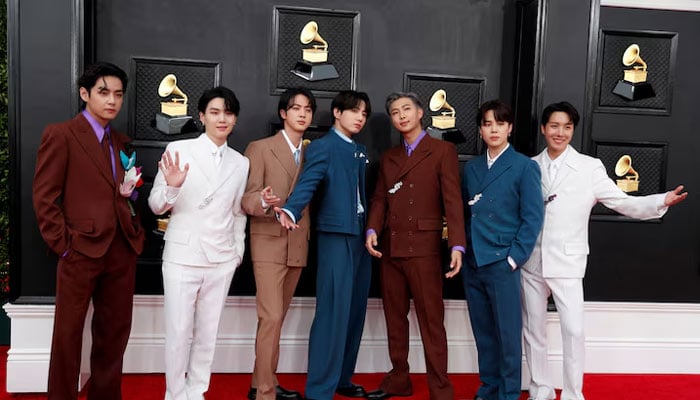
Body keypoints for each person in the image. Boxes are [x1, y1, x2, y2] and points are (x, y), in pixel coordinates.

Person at [521, 101, 688, 400]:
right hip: (531, 260)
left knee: (573, 331)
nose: (560, 133)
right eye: (555, 126)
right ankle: (540, 388)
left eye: (567, 127)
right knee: (533, 330)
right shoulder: (529, 166)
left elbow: (622, 202)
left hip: (568, 261)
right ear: (544, 128)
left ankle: (573, 393)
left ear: (573, 130)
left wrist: (661, 201)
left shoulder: (589, 167)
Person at [32, 61, 145, 400]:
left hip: (121, 250)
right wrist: (63, 246)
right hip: (79, 250)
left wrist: (132, 220)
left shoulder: (122, 143)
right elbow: (44, 196)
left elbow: (127, 192)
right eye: (103, 92)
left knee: (114, 335)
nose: (112, 100)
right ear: (85, 94)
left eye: (118, 95)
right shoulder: (61, 134)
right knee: (67, 336)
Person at [148, 86, 249, 400]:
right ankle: (175, 394)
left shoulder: (240, 162)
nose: (222, 119)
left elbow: (237, 212)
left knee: (208, 333)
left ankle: (197, 391)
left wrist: (236, 252)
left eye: (228, 113)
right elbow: (155, 205)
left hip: (221, 259)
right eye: (215, 112)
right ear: (202, 115)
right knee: (178, 332)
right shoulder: (179, 150)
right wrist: (172, 188)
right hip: (182, 255)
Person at [364, 92, 466, 400]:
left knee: (432, 323)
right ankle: (398, 380)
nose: (401, 116)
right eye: (395, 112)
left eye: (406, 109)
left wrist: (457, 245)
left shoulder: (442, 150)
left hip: (425, 249)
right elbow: (380, 197)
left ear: (421, 112)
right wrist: (371, 228)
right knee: (395, 320)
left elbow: (452, 201)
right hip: (390, 249)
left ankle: (441, 389)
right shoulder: (389, 157)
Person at [275, 90, 372, 400]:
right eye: (354, 111)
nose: (360, 117)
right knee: (332, 312)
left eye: (364, 113)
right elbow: (308, 182)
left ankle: (342, 378)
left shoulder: (359, 150)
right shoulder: (322, 147)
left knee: (355, 311)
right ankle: (319, 389)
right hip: (334, 237)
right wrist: (291, 209)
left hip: (360, 238)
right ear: (337, 113)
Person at [462, 100, 544, 400]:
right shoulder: (471, 168)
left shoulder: (524, 166)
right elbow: (463, 211)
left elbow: (533, 217)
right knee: (483, 332)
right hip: (474, 260)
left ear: (509, 127)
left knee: (508, 334)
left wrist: (514, 258)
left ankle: (509, 392)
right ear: (481, 129)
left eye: (499, 123)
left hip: (502, 261)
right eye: (487, 123)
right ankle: (489, 386)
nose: (493, 128)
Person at [242, 87, 317, 400]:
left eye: (308, 109)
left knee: (276, 318)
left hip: (298, 242)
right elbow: (246, 198)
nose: (302, 113)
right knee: (271, 317)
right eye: (296, 108)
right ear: (283, 113)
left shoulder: (314, 151)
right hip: (269, 242)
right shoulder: (260, 148)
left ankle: (262, 380)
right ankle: (265, 392)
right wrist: (263, 201)